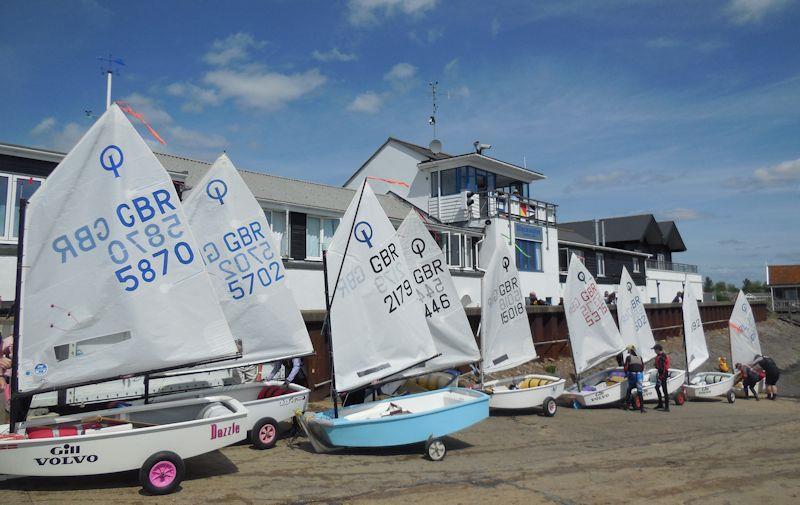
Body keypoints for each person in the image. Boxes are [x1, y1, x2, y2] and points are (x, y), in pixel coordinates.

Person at [624, 345, 645, 413]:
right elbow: (642, 367)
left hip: (632, 375)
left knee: (629, 390)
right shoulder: (640, 357)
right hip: (639, 375)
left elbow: (626, 367)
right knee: (640, 392)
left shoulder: (628, 357)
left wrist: (626, 374)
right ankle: (642, 409)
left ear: (630, 351)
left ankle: (627, 406)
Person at [653, 343, 670, 411]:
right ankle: (660, 404)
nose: (654, 351)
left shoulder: (662, 356)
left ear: (657, 350)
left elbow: (662, 368)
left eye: (654, 349)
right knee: (657, 387)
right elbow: (659, 366)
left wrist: (661, 377)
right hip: (661, 374)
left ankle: (667, 407)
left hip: (663, 374)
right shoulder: (659, 356)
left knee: (664, 390)